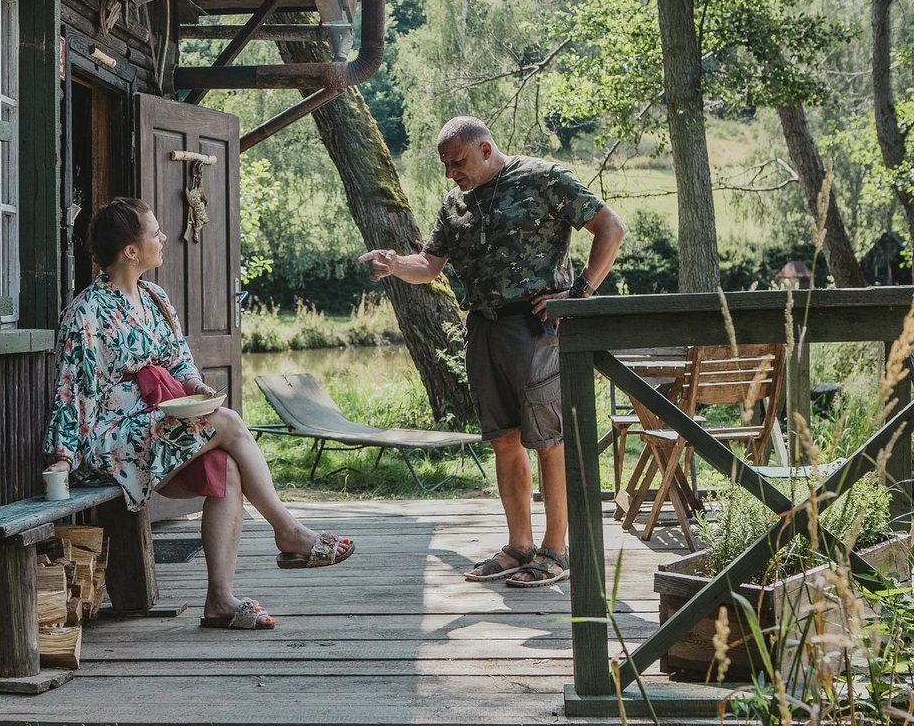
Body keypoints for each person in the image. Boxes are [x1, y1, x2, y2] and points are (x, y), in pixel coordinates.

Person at [43, 198, 355, 630]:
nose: (162, 238)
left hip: (155, 426)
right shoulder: (87, 312)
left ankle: (220, 601)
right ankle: (289, 532)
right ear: (130, 251)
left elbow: (179, 363)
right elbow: (70, 392)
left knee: (225, 467)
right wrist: (61, 456)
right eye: (154, 233)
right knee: (227, 423)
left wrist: (195, 387)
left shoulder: (154, 297)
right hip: (108, 441)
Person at [358, 116, 626, 588]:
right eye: (444, 165)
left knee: (548, 442)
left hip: (538, 326)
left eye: (457, 162)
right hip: (482, 327)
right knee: (504, 439)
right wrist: (397, 264)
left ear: (485, 149)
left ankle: (556, 551)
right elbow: (431, 264)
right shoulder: (454, 205)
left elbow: (611, 228)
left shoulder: (543, 177)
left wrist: (580, 294)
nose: (450, 173)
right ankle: (519, 545)